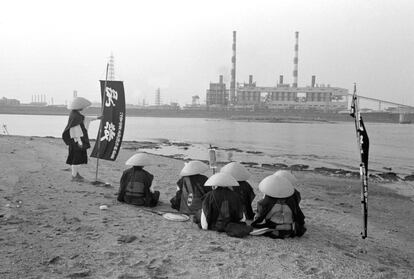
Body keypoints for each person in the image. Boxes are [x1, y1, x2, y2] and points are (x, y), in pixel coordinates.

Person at [251, 174, 306, 238]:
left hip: (274, 224)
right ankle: (283, 232)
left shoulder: (269, 201)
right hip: (289, 226)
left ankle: (277, 231)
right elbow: (297, 214)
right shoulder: (292, 201)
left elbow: (265, 216)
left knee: (263, 219)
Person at [62, 97, 99, 181]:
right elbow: (75, 130)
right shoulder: (76, 116)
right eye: (83, 107)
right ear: (79, 106)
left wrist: (97, 118)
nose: (84, 108)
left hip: (75, 140)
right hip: (76, 141)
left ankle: (75, 174)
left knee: (77, 158)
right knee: (76, 158)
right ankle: (74, 176)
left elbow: (85, 119)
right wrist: (79, 141)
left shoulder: (75, 114)